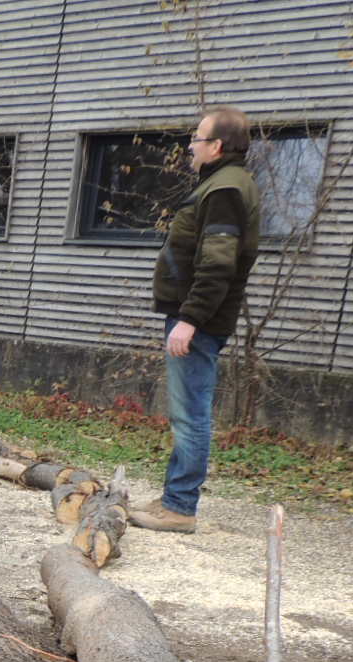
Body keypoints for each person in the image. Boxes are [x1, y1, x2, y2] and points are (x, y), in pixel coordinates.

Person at [132, 105, 261, 533]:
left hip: (198, 321)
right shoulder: (222, 184)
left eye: (197, 139)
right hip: (195, 316)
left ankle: (180, 508)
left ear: (217, 146)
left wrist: (190, 319)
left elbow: (218, 265)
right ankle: (174, 497)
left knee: (191, 414)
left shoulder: (225, 190)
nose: (191, 146)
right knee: (187, 411)